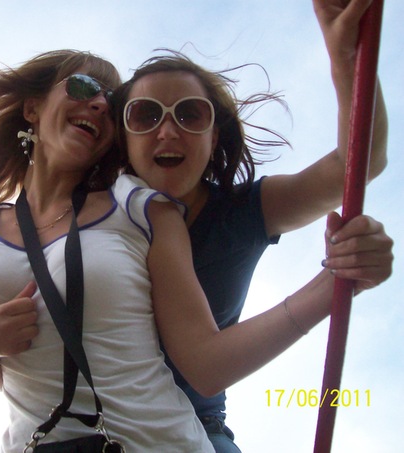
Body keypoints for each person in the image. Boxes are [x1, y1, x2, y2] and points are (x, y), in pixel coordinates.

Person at [0, 47, 393, 452]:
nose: (99, 104)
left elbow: (205, 362)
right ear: (33, 108)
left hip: (168, 435)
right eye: (85, 87)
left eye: (111, 102)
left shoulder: (142, 206)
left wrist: (336, 279)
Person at [107, 0, 389, 451]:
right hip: (96, 427)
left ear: (213, 136)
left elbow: (357, 163)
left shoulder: (242, 210)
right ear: (123, 137)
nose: (168, 130)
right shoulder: (97, 217)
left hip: (198, 426)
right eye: (146, 114)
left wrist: (347, 59)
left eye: (190, 113)